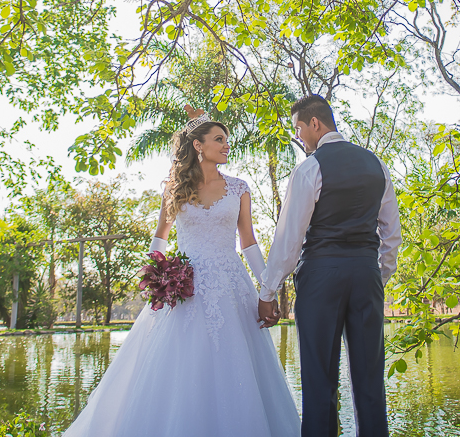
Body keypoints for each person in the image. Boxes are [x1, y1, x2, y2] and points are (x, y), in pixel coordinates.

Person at [62, 110, 300, 437]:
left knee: (236, 361)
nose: (226, 145)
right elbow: (160, 236)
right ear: (198, 145)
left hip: (232, 286)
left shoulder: (239, 188)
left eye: (226, 139)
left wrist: (267, 288)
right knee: (183, 363)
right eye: (219, 139)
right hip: (185, 288)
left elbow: (248, 244)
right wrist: (156, 276)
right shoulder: (175, 188)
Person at [257, 94, 402, 437]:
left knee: (319, 379)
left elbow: (289, 238)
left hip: (321, 278)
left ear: (315, 124)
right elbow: (391, 235)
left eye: (299, 129)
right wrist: (374, 274)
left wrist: (268, 289)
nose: (299, 137)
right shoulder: (376, 164)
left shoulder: (310, 167)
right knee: (370, 380)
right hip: (366, 275)